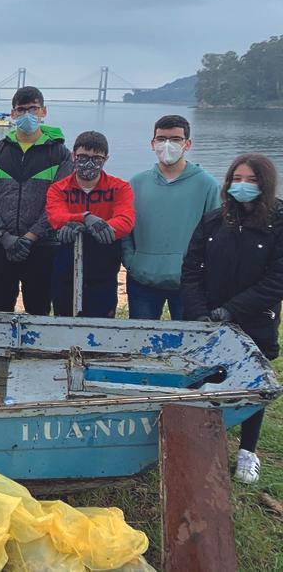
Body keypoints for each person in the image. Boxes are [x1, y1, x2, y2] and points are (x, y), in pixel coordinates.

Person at [182, 153, 283, 484]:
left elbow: (276, 279)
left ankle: (247, 452)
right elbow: (192, 268)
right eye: (237, 178)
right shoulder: (214, 220)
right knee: (202, 375)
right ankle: (201, 439)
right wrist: (199, 312)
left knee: (252, 382)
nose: (243, 185)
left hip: (254, 317)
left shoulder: (278, 221)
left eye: (252, 180)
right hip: (209, 316)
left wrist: (234, 310)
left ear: (265, 184)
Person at [0, 86, 72, 314]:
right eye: (21, 110)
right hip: (0, 246)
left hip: (43, 247)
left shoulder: (60, 154)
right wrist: (3, 234)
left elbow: (58, 202)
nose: (27, 114)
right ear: (13, 114)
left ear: (44, 111)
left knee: (38, 311)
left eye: (33, 109)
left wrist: (30, 237)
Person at [122, 115, 221, 320]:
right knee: (141, 344)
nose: (167, 145)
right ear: (153, 143)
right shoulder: (136, 184)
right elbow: (125, 229)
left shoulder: (207, 185)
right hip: (142, 279)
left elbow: (216, 234)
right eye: (161, 139)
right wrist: (132, 262)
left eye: (175, 139)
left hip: (189, 283)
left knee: (188, 345)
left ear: (187, 144)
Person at [46, 132, 135, 318]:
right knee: (64, 321)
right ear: (73, 156)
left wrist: (100, 225)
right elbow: (55, 216)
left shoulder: (120, 187)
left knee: (101, 326)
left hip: (103, 270)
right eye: (83, 157)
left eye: (96, 158)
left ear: (106, 159)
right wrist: (85, 217)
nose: (89, 163)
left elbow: (125, 220)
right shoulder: (58, 188)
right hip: (65, 267)